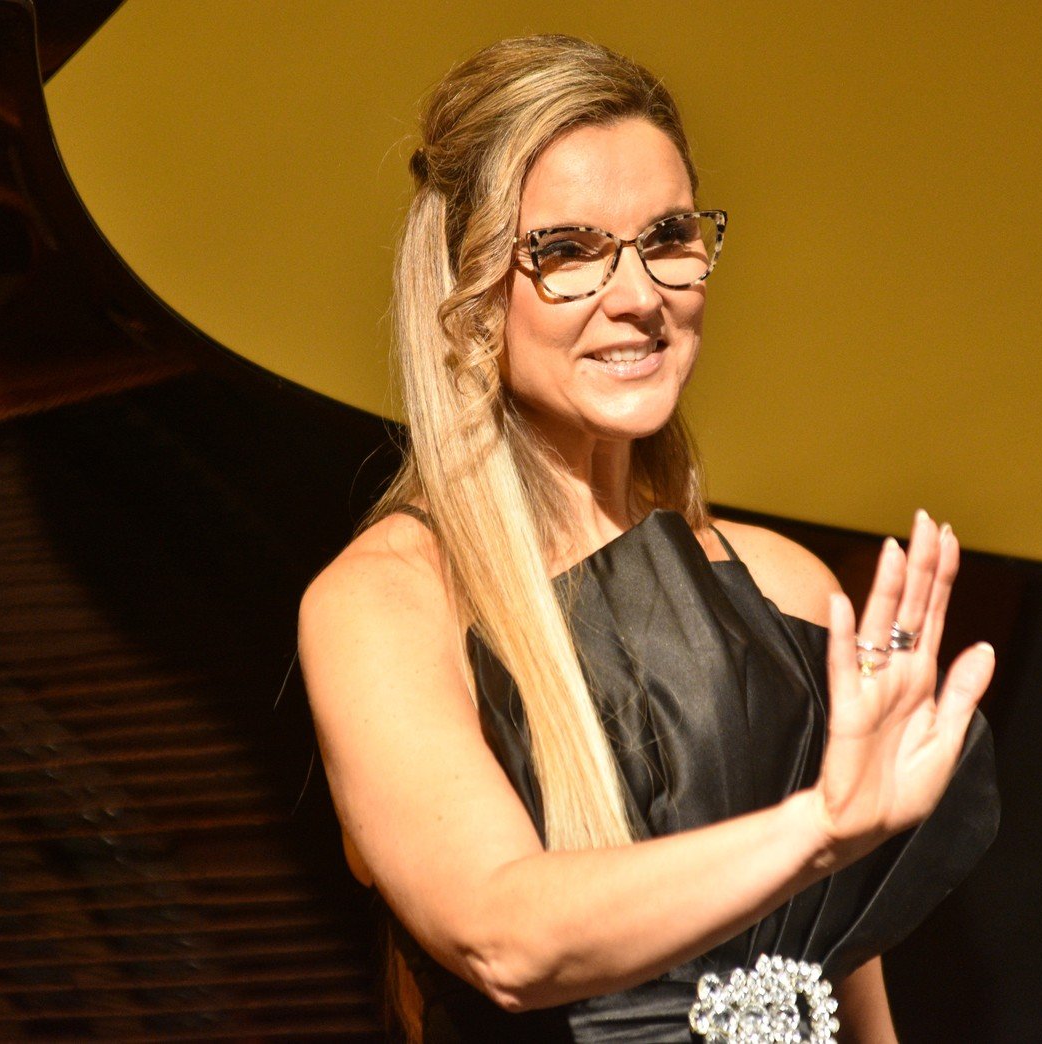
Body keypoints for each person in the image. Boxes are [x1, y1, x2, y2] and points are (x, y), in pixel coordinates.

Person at [298, 35, 999, 1043]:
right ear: (469, 296)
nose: (638, 296)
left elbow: (850, 1003)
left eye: (667, 237)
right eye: (568, 252)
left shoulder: (781, 588)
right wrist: (820, 829)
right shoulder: (384, 605)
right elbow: (503, 938)